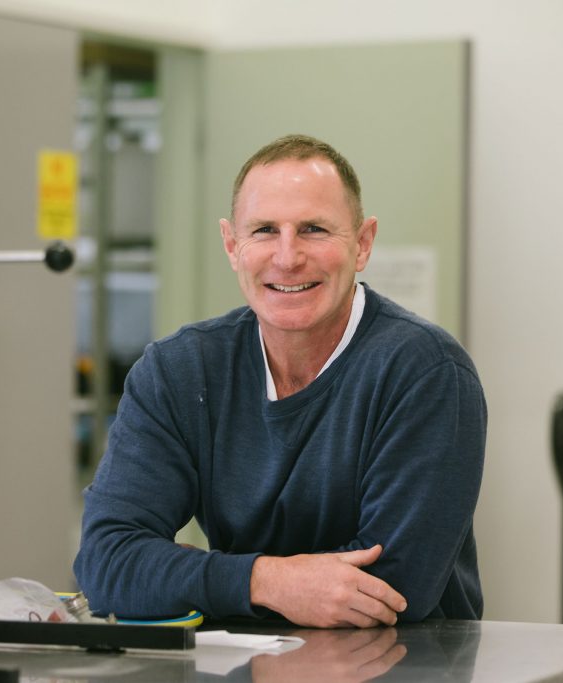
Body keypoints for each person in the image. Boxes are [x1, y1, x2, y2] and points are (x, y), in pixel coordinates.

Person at [73, 134, 486, 628]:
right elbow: (105, 565)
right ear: (232, 245)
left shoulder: (425, 373)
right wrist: (266, 581)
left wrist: (190, 574)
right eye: (265, 230)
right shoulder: (178, 372)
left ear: (363, 244)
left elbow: (393, 591)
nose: (287, 258)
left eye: (313, 229)